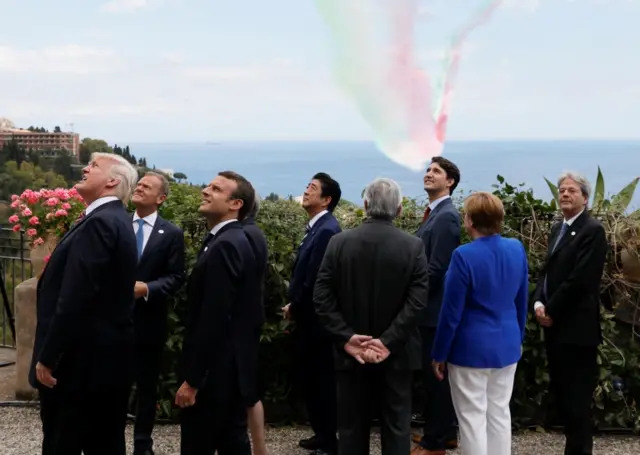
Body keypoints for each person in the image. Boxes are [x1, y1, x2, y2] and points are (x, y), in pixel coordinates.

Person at [29, 152, 140, 455]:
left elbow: (76, 296)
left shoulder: (101, 222)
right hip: (103, 360)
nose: (86, 168)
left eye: (94, 166)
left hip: (80, 365)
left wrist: (49, 356)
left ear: (112, 180)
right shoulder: (115, 219)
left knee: (63, 442)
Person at [314, 177, 429, 455]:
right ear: (399, 210)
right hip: (398, 354)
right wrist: (387, 342)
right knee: (397, 427)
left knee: (351, 429)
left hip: (350, 354)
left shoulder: (338, 243)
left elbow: (321, 298)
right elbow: (417, 302)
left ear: (365, 205)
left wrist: (347, 337)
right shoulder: (413, 246)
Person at [431, 192, 529, 455]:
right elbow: (522, 301)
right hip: (507, 344)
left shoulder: (463, 255)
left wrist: (439, 353)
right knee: (499, 413)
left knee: (472, 419)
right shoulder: (516, 248)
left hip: (469, 349)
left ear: (470, 221)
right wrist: (517, 338)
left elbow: (451, 313)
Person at [176, 171, 259, 455]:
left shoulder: (226, 244)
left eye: (216, 189)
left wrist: (193, 380)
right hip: (225, 371)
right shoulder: (225, 240)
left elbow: (215, 318)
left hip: (216, 377)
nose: (205, 191)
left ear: (236, 204)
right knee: (231, 442)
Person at [532, 171, 608, 455]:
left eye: (571, 190)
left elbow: (581, 279)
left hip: (577, 331)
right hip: (555, 328)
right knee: (564, 401)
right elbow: (547, 271)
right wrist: (538, 302)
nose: (564, 194)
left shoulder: (592, 230)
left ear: (585, 198)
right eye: (561, 190)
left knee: (577, 404)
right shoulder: (558, 228)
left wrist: (551, 309)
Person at [282, 172, 342, 455]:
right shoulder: (317, 227)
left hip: (318, 321)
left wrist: (296, 305)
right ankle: (321, 434)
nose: (306, 191)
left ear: (327, 199)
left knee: (321, 381)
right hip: (309, 317)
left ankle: (329, 441)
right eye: (307, 186)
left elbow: (317, 277)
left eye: (313, 188)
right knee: (312, 379)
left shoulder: (328, 229)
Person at [130, 172, 186, 455]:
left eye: (146, 186)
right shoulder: (117, 225)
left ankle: (143, 442)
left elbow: (177, 277)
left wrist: (147, 288)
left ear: (161, 198)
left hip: (149, 321)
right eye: (139, 184)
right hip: (113, 322)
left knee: (146, 385)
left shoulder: (171, 233)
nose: (139, 187)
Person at [413, 157, 461, 454]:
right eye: (428, 170)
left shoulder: (447, 216)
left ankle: (436, 442)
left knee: (436, 377)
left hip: (432, 310)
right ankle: (444, 433)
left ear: (450, 181)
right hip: (428, 309)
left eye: (436, 171)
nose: (429, 174)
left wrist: (412, 300)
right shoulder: (434, 213)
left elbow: (437, 268)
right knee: (431, 378)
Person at [241, 193, 269, 455]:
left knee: (247, 390)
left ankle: (259, 449)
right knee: (249, 389)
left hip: (241, 322)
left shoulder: (244, 235)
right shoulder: (255, 233)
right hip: (250, 318)